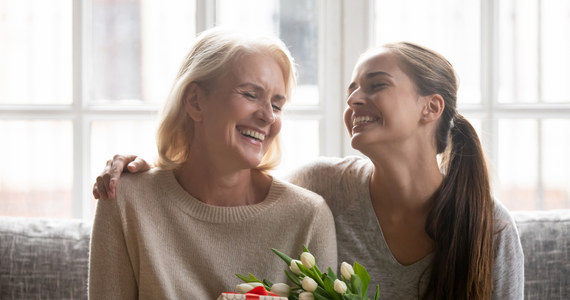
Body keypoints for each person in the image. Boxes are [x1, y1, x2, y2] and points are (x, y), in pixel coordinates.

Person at [94, 42, 524, 299]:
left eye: (376, 85)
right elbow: (228, 188)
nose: (354, 99)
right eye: (351, 88)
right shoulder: (322, 189)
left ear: (430, 107)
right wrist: (149, 172)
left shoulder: (490, 228)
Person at [88, 27, 337, 299]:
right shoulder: (125, 200)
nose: (268, 116)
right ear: (195, 101)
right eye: (251, 95)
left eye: (277, 105)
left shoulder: (308, 217)